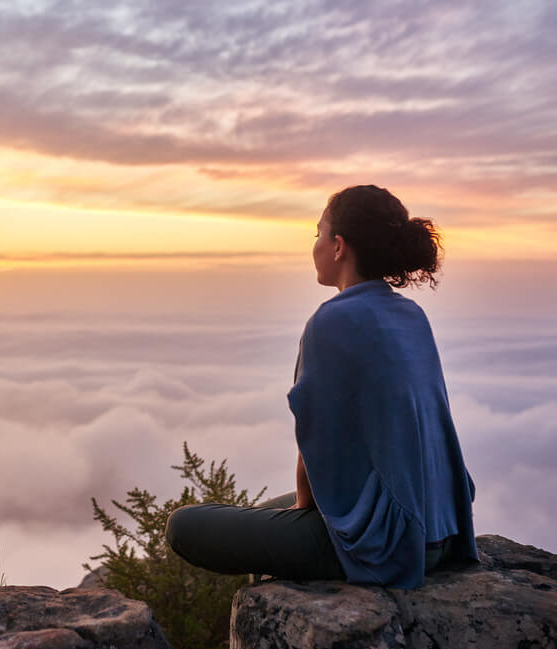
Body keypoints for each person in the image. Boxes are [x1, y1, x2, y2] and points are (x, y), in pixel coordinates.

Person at [165, 185, 478, 588]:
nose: (314, 245)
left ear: (338, 247)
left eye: (318, 233)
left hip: (392, 545)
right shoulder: (410, 315)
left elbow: (316, 449)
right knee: (263, 511)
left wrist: (306, 514)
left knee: (185, 526)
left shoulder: (331, 322)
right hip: (443, 529)